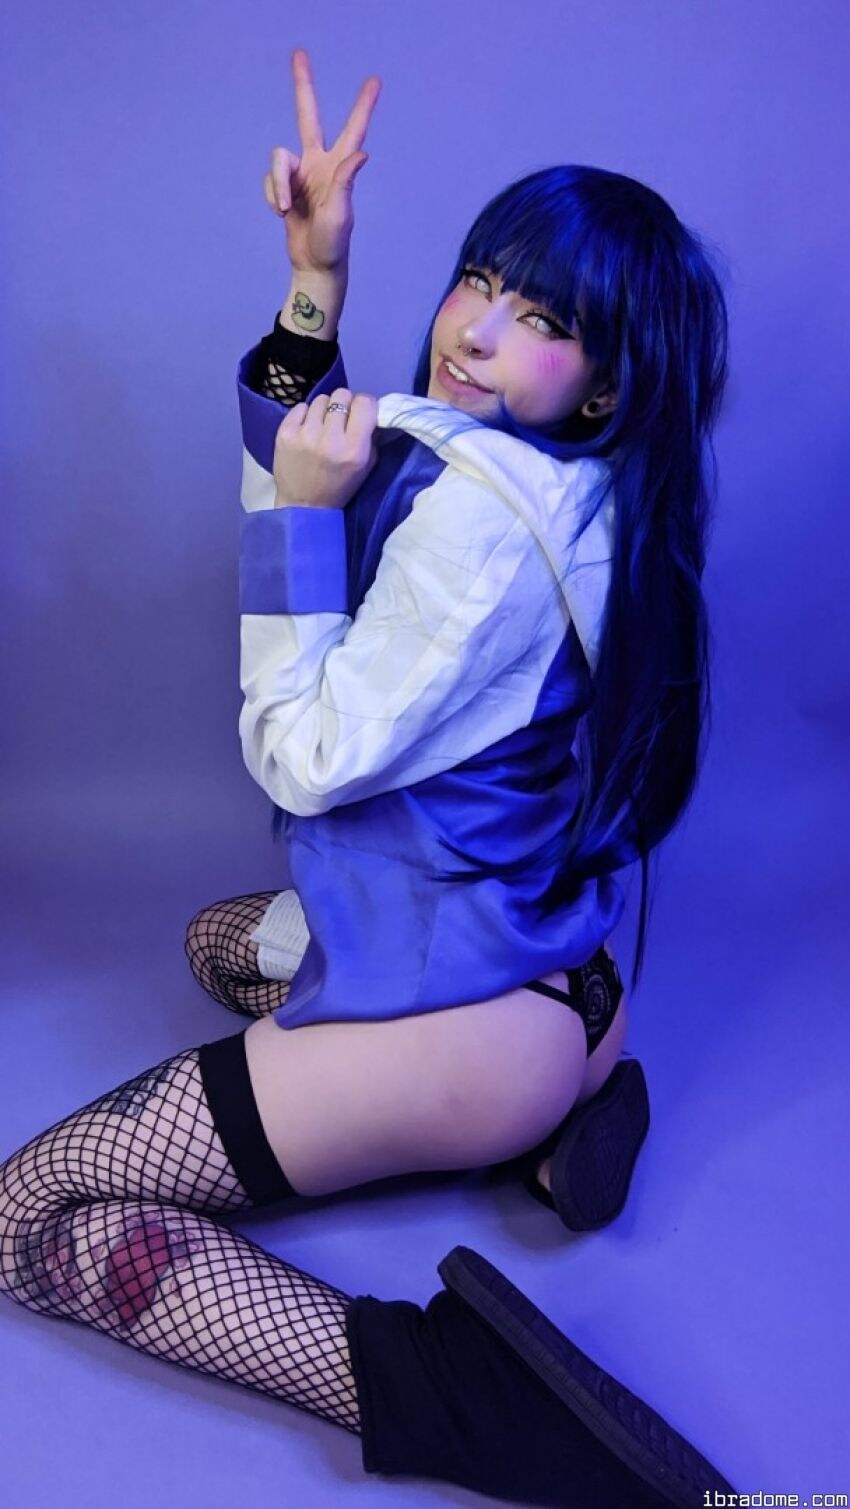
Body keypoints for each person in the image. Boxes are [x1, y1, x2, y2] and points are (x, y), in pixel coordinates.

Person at [0, 47, 737, 1507]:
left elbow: (304, 755)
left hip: (477, 1032)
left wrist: (296, 517)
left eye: (543, 322)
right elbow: (335, 439)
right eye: (479, 280)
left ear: (607, 380)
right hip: (559, 968)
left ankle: (448, 1386)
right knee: (216, 941)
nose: (476, 330)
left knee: (34, 1210)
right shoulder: (587, 485)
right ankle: (570, 1119)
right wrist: (315, 283)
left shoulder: (483, 528)